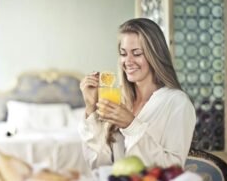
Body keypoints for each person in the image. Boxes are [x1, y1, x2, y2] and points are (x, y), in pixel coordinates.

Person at [78, 18, 196, 170]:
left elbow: (172, 169)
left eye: (137, 53)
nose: (128, 61)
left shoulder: (177, 103)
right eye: (123, 53)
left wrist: (131, 125)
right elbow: (99, 165)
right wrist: (90, 108)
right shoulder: (120, 99)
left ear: (155, 55)